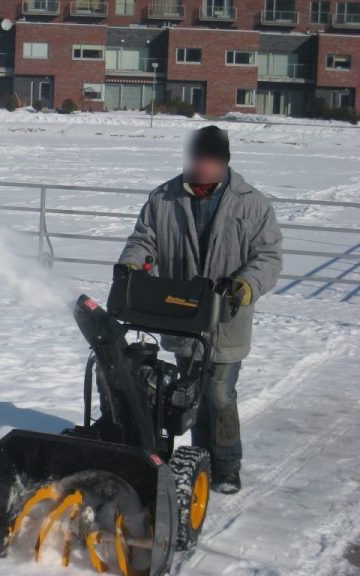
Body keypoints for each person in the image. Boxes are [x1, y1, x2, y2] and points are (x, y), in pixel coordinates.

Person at [119, 125, 282, 495]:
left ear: (224, 163)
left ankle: (226, 466)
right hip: (182, 316)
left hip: (227, 320)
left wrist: (243, 287)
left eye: (210, 160)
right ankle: (200, 459)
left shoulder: (252, 203)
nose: (202, 167)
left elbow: (268, 257)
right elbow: (144, 240)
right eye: (198, 158)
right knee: (190, 394)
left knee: (220, 394)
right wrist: (133, 265)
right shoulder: (164, 198)